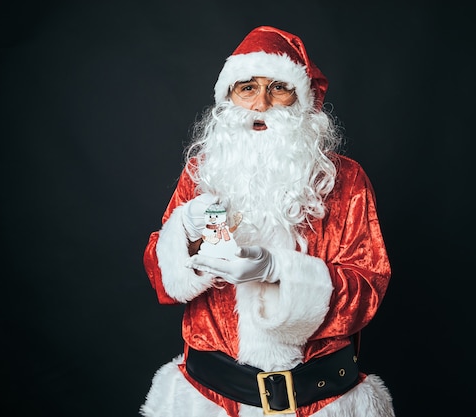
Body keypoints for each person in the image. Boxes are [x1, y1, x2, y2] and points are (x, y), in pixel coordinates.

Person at [139, 26, 394, 417]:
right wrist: (185, 234)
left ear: (301, 100)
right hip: (209, 402)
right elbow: (163, 281)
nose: (261, 104)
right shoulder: (201, 172)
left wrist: (279, 271)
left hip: (319, 402)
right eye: (247, 87)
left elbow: (367, 290)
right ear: (229, 97)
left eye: (278, 88)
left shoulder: (344, 180)